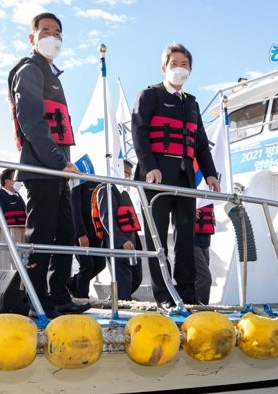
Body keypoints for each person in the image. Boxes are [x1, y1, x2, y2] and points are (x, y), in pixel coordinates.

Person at [7, 12, 88, 317]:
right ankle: (36, 297)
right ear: (33, 38)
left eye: (57, 32)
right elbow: (31, 122)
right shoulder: (29, 70)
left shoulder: (52, 75)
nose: (52, 37)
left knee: (65, 233)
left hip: (58, 172)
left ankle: (59, 294)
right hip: (42, 170)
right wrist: (57, 161)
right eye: (45, 31)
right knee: (41, 234)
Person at [132, 43, 220, 308]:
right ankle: (164, 296)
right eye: (174, 64)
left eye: (184, 65)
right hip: (156, 176)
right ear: (163, 68)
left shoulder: (192, 103)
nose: (179, 69)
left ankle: (188, 293)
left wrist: (211, 174)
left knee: (185, 238)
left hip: (184, 179)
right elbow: (138, 131)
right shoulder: (149, 96)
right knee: (156, 236)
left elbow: (200, 143)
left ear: (190, 70)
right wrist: (150, 166)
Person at [92, 160, 144, 300]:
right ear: (119, 170)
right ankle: (121, 303)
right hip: (118, 243)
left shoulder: (124, 192)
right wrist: (122, 240)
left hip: (132, 243)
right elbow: (106, 218)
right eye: (128, 173)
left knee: (137, 277)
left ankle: (116, 298)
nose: (129, 177)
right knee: (123, 278)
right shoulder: (106, 190)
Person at [67, 179, 105, 300]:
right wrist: (80, 234)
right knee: (87, 266)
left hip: (96, 234)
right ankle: (82, 297)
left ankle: (72, 283)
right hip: (81, 234)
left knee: (100, 264)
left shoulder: (98, 184)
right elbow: (75, 211)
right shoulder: (77, 185)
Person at [0, 168, 27, 270]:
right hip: (6, 238)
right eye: (16, 179)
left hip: (22, 238)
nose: (19, 182)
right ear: (7, 181)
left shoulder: (19, 197)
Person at [193, 204, 215, 302]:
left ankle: (199, 308)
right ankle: (201, 311)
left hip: (205, 241)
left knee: (199, 279)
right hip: (191, 240)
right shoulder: (192, 187)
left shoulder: (207, 189)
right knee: (204, 279)